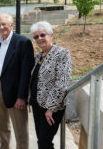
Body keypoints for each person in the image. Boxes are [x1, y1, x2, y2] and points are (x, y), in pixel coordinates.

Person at [0, 14, 34, 149]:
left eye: (4, 24)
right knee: (2, 123)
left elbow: (26, 72)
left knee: (20, 127)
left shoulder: (23, 42)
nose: (2, 27)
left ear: (11, 25)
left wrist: (22, 96)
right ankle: (4, 146)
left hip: (16, 91)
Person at [30, 21, 72, 149]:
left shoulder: (62, 53)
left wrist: (51, 108)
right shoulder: (38, 56)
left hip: (52, 108)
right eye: (36, 37)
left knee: (44, 142)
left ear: (51, 35)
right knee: (41, 141)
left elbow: (62, 82)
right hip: (37, 105)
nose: (39, 39)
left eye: (42, 35)